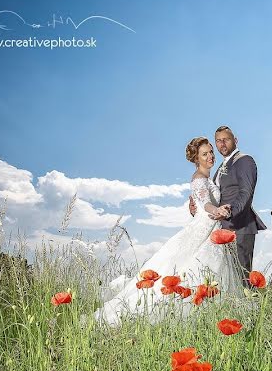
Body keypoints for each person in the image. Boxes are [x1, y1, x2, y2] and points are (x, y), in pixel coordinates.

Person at [95, 137, 243, 325]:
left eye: (211, 152)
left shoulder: (208, 178)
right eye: (204, 154)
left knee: (209, 270)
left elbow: (199, 204)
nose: (210, 156)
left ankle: (213, 314)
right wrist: (217, 211)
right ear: (196, 159)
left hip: (211, 227)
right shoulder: (198, 179)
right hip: (204, 226)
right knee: (191, 269)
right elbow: (206, 204)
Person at [189, 126, 266, 280]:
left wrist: (230, 211)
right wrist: (197, 208)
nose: (222, 144)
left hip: (240, 226)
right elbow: (210, 197)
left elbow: (246, 193)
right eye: (218, 141)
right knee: (229, 279)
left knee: (242, 277)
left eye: (226, 139)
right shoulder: (219, 169)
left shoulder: (245, 160)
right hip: (222, 228)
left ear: (235, 140)